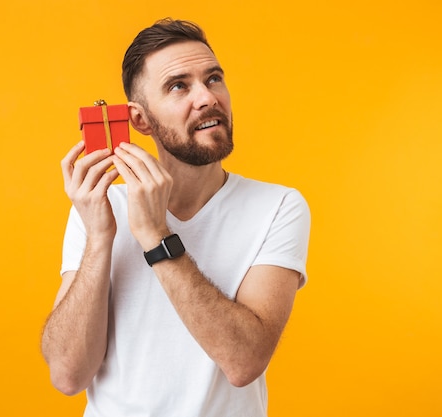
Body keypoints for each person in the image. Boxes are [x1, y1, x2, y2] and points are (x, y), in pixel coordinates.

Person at [41, 18, 311, 417]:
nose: (207, 98)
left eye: (214, 78)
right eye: (178, 86)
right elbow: (67, 375)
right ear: (139, 120)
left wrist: (155, 235)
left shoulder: (278, 206)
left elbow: (244, 362)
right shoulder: (99, 209)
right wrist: (100, 237)